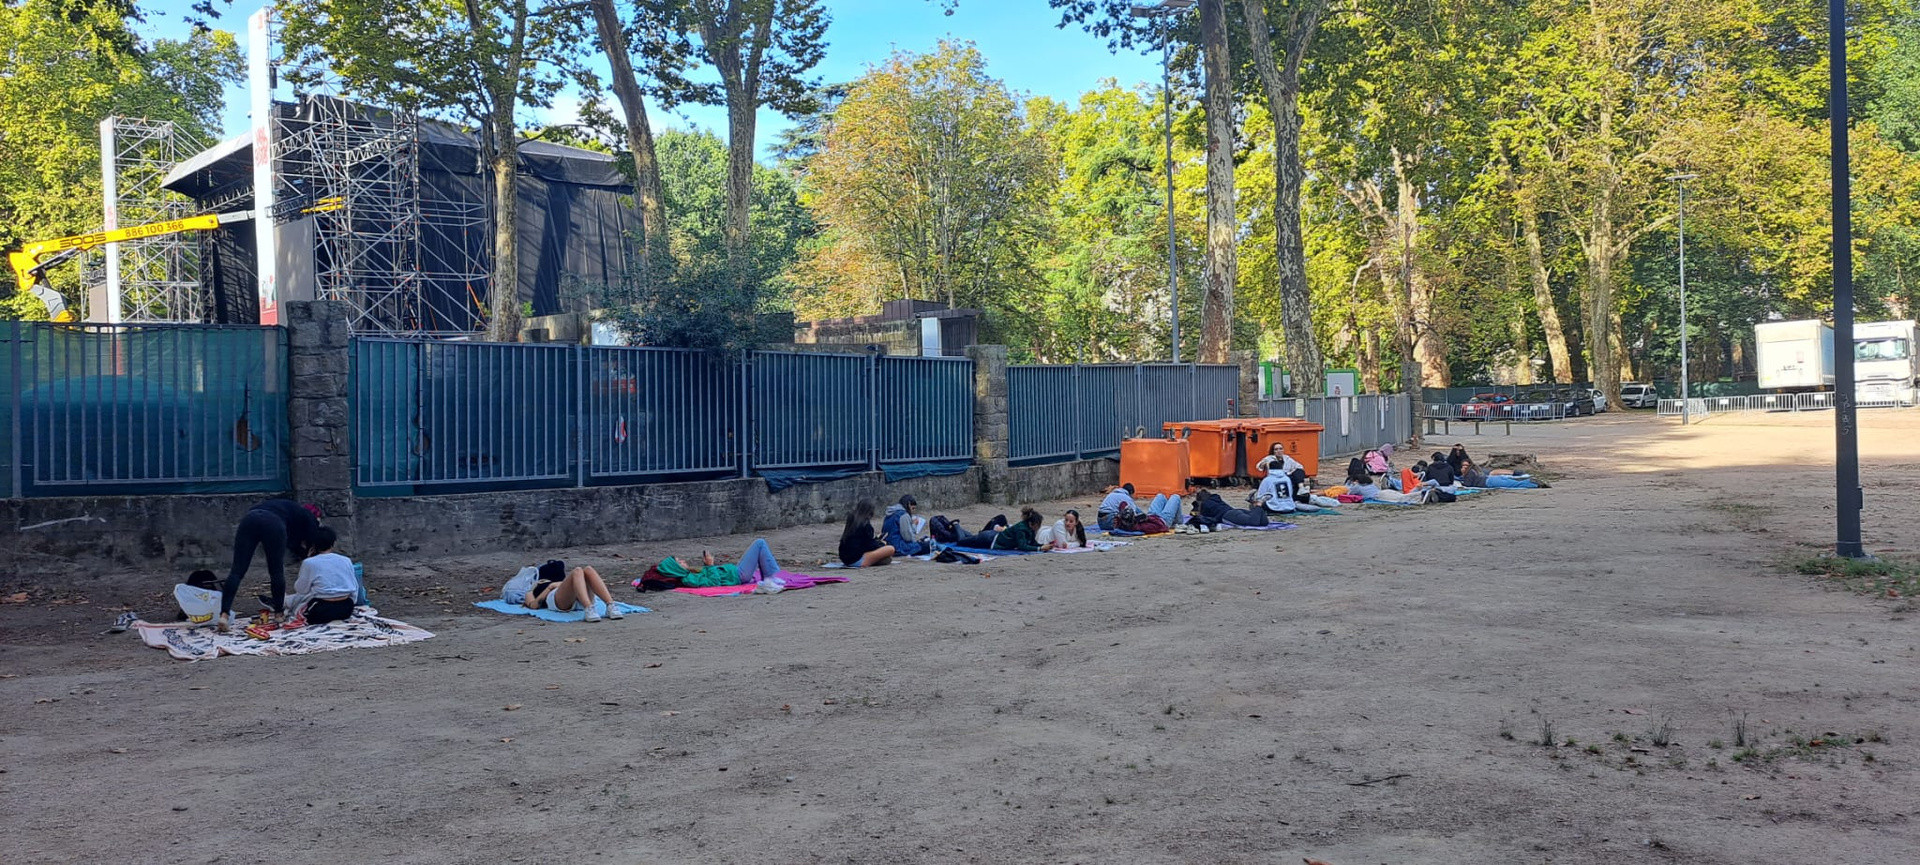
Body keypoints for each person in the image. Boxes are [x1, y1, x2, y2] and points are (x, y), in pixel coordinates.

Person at [217, 498, 324, 632]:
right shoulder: (309, 517)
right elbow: (313, 543)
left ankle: (224, 615)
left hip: (250, 518)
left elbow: (293, 543)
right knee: (276, 571)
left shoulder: (287, 508)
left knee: (237, 571)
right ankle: (278, 614)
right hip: (273, 523)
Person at [274, 526, 359, 626]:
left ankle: (284, 602)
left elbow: (301, 589)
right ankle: (286, 601)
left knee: (304, 596)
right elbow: (355, 588)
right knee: (314, 591)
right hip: (346, 608)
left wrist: (308, 560)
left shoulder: (310, 563)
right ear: (333, 543)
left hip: (320, 610)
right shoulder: (346, 560)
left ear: (313, 545)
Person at [524, 560, 623, 621]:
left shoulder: (568, 581)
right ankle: (588, 608)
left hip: (578, 594)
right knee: (577, 570)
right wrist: (549, 587)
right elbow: (534, 605)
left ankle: (611, 605)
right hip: (558, 599)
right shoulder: (535, 587)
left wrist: (557, 584)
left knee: (588, 569)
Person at [838, 500, 897, 568]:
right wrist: (881, 544)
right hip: (857, 559)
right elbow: (869, 545)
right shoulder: (866, 525)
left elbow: (861, 542)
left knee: (886, 558)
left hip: (845, 559)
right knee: (891, 549)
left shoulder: (851, 521)